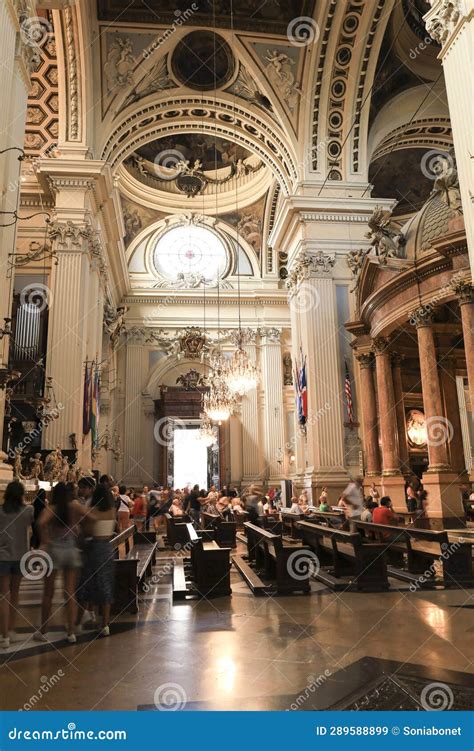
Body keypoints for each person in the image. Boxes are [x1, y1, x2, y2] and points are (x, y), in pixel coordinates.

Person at [36, 482, 89, 643]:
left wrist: (45, 538)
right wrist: (80, 529)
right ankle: (71, 632)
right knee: (70, 593)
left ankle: (43, 631)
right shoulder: (73, 506)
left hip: (55, 551)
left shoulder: (53, 508)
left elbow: (40, 523)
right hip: (71, 551)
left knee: (48, 593)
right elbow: (89, 515)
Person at [77, 484, 117, 637]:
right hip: (107, 549)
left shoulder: (92, 512)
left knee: (86, 583)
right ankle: (105, 624)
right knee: (105, 585)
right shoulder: (112, 511)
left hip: (94, 548)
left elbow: (86, 531)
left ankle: (79, 620)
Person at [0, 481, 34, 649]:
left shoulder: (0, 512)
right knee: (15, 594)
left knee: (3, 595)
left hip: (3, 556)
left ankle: (3, 634)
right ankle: (12, 629)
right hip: (20, 556)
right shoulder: (28, 511)